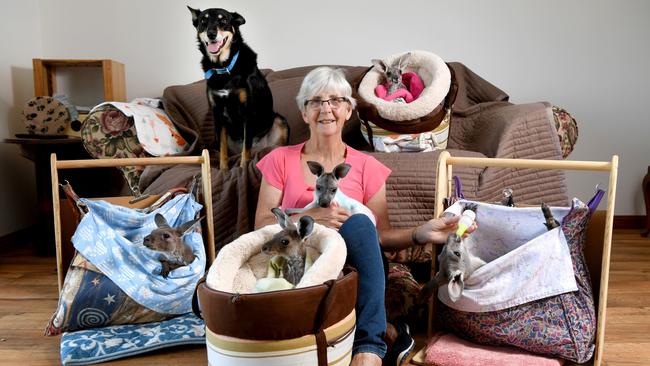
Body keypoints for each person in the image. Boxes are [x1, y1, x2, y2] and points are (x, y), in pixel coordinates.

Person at [254, 67, 475, 366]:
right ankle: (389, 332)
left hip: (352, 264)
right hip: (302, 260)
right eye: (315, 101)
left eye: (335, 100)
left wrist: (420, 233)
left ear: (348, 110)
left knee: (359, 222)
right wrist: (311, 217)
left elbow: (379, 236)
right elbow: (261, 227)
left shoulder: (366, 166)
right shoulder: (280, 159)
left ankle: (368, 348)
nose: (326, 109)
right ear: (304, 112)